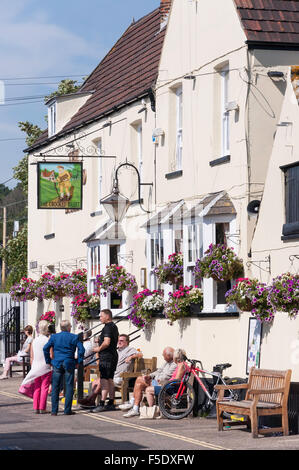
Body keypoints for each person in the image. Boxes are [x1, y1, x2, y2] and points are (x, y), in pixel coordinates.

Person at [78, 333, 142, 408]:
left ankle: (90, 400)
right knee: (96, 381)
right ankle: (92, 400)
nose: (119, 342)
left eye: (121, 341)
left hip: (122, 377)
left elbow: (140, 354)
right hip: (113, 374)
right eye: (118, 340)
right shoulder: (117, 350)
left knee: (101, 381)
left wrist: (131, 357)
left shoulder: (130, 349)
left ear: (127, 342)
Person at [43, 320, 85, 416]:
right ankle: (67, 410)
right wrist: (79, 361)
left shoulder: (54, 337)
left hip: (57, 363)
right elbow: (81, 349)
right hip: (69, 362)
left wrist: (48, 361)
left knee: (55, 387)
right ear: (69, 328)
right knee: (69, 386)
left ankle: (54, 411)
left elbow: (45, 348)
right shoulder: (74, 337)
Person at [121, 346, 176, 418]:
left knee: (139, 380)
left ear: (169, 355)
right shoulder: (166, 362)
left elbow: (165, 377)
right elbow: (158, 371)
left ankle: (134, 405)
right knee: (139, 381)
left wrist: (153, 379)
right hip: (158, 381)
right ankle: (135, 407)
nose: (163, 356)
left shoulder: (174, 364)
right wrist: (149, 376)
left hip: (163, 383)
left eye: (164, 355)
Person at [18, 320, 52, 414]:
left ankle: (36, 407)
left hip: (36, 366)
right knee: (44, 387)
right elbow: (51, 354)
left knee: (37, 387)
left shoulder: (34, 340)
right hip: (45, 366)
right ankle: (42, 408)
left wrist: (33, 366)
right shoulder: (48, 340)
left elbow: (32, 355)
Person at [90, 309, 119, 412]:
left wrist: (98, 348)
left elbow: (107, 342)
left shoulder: (107, 327)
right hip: (113, 356)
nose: (100, 318)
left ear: (108, 316)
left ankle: (102, 403)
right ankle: (111, 402)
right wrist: (100, 340)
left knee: (104, 380)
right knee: (110, 379)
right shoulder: (114, 326)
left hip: (106, 357)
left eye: (101, 316)